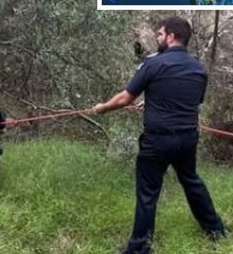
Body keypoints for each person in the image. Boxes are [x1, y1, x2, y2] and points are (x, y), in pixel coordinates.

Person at [92, 17, 225, 254]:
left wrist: (102, 107)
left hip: (158, 141)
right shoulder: (199, 69)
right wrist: (152, 102)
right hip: (187, 139)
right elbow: (188, 101)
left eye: (160, 34)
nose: (158, 38)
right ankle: (216, 231)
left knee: (148, 192)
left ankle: (139, 247)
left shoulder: (153, 64)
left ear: (172, 36)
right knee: (191, 181)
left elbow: (125, 98)